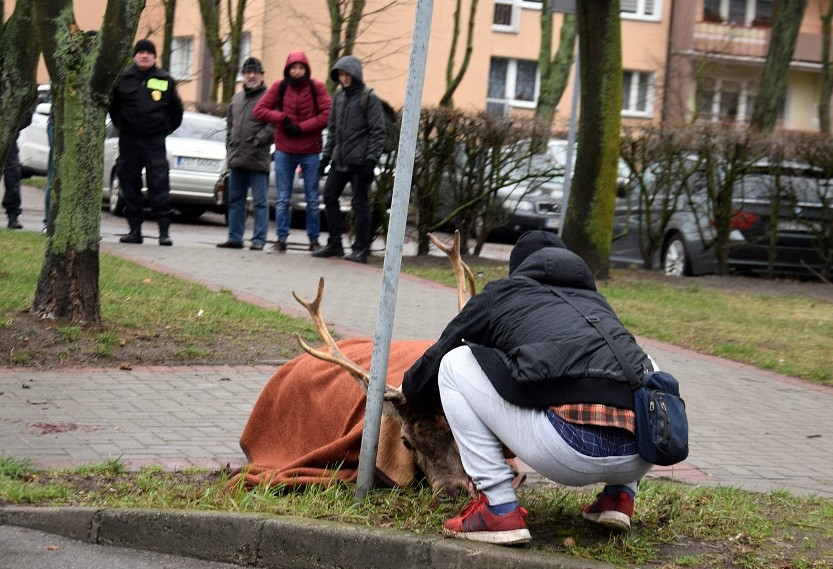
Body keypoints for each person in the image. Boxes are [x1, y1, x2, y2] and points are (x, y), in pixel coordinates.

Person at [401, 230, 655, 545]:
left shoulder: (503, 292)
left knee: (455, 363)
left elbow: (439, 356)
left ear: (519, 269)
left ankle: (498, 507)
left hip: (569, 451)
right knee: (643, 365)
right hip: (644, 451)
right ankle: (621, 496)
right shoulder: (597, 302)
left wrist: (410, 387)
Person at [253, 51, 331, 253]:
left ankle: (314, 240)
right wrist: (282, 118)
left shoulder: (317, 87)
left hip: (310, 151)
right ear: (288, 69)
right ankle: (281, 240)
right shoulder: (280, 87)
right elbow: (259, 110)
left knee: (313, 199)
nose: (297, 72)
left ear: (307, 69)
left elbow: (328, 114)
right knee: (282, 199)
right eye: (293, 68)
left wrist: (302, 127)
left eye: (301, 68)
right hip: (284, 150)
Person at [109, 38, 184, 246]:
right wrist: (123, 126)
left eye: (148, 53)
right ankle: (134, 231)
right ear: (135, 56)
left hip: (154, 141)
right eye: (141, 52)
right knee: (129, 184)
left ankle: (163, 233)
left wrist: (163, 130)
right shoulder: (122, 78)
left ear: (154, 57)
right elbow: (113, 108)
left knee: (159, 184)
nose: (144, 55)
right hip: (129, 140)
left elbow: (176, 111)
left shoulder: (165, 79)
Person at [312, 55, 386, 264]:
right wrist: (326, 158)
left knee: (360, 204)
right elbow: (333, 130)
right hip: (340, 160)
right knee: (329, 197)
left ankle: (360, 249)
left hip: (360, 162)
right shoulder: (339, 97)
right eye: (340, 75)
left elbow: (378, 131)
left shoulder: (368, 97)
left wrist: (371, 160)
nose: (343, 78)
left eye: (347, 74)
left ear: (355, 74)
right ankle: (335, 243)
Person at [217, 57, 275, 250]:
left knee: (260, 202)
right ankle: (234, 238)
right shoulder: (236, 98)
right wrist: (230, 147)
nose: (251, 75)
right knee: (235, 201)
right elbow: (229, 126)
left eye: (255, 72)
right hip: (237, 159)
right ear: (242, 75)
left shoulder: (269, 98)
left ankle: (259, 240)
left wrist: (257, 140)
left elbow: (273, 125)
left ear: (261, 74)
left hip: (258, 159)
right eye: (247, 72)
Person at [3, 107, 34, 230]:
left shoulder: (19, 89)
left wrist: (10, 127)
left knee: (13, 177)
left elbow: (28, 115)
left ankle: (13, 216)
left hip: (10, 140)